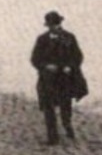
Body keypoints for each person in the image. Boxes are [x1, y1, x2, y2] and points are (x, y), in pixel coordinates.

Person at [30, 10, 86, 145]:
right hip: (48, 79)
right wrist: (45, 66)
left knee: (65, 105)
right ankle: (52, 136)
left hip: (65, 79)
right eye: (51, 25)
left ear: (60, 24)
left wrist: (70, 66)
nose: (53, 27)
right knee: (48, 106)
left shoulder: (69, 37)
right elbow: (35, 58)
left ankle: (67, 126)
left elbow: (78, 56)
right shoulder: (42, 39)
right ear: (47, 26)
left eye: (55, 25)